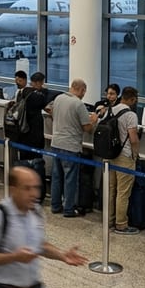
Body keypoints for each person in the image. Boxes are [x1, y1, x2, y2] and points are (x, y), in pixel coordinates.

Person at [49, 78, 97, 218]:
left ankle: (55, 205)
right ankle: (69, 209)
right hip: (70, 146)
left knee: (57, 177)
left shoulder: (58, 98)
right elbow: (87, 128)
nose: (84, 94)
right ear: (81, 90)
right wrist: (93, 120)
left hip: (56, 142)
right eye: (84, 92)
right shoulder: (78, 104)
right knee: (70, 179)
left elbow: (52, 113)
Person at [105, 86, 143, 234]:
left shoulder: (111, 109)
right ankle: (121, 224)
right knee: (123, 192)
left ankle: (109, 220)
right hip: (125, 156)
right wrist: (135, 154)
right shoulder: (131, 115)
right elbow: (133, 138)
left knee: (111, 190)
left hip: (110, 154)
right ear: (132, 99)